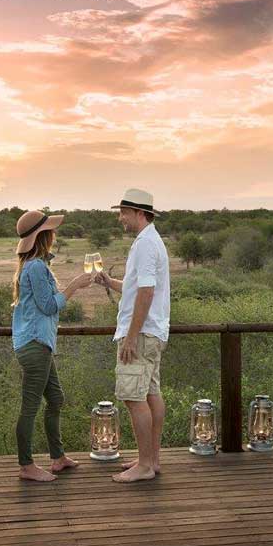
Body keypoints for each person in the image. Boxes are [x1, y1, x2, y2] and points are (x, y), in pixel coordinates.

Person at [95, 188, 171, 483]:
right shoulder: (151, 240)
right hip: (152, 332)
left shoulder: (145, 244)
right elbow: (136, 286)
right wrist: (109, 281)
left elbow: (146, 292)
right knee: (150, 394)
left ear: (140, 213)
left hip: (140, 334)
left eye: (124, 213)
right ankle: (151, 459)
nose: (120, 218)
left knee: (132, 397)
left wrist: (130, 336)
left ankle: (145, 466)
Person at [11, 209, 93, 482]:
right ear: (42, 235)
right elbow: (48, 306)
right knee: (30, 406)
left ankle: (58, 458)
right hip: (35, 344)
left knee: (55, 398)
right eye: (51, 230)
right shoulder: (35, 266)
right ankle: (26, 466)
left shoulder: (35, 264)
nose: (55, 233)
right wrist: (73, 286)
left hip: (40, 344)